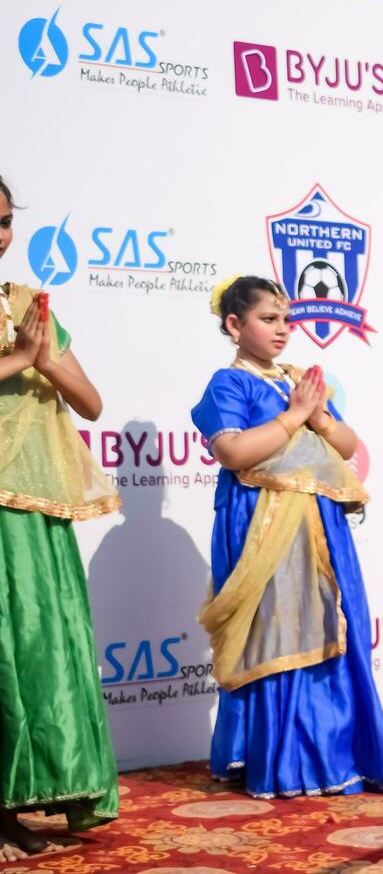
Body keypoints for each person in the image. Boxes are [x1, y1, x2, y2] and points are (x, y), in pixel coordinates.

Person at [192, 276, 383, 799]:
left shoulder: (298, 380)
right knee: (280, 633)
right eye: (268, 320)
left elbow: (348, 445)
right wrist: (293, 417)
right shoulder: (229, 383)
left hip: (320, 526)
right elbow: (235, 453)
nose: (282, 330)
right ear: (235, 325)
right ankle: (281, 761)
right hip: (264, 525)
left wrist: (320, 416)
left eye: (286, 320)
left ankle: (334, 756)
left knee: (331, 628)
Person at [0, 175, 119, 860]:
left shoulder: (26, 304)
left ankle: (16, 803)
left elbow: (92, 402)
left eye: (5, 220)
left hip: (34, 511)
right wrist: (17, 359)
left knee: (34, 654)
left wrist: (43, 356)